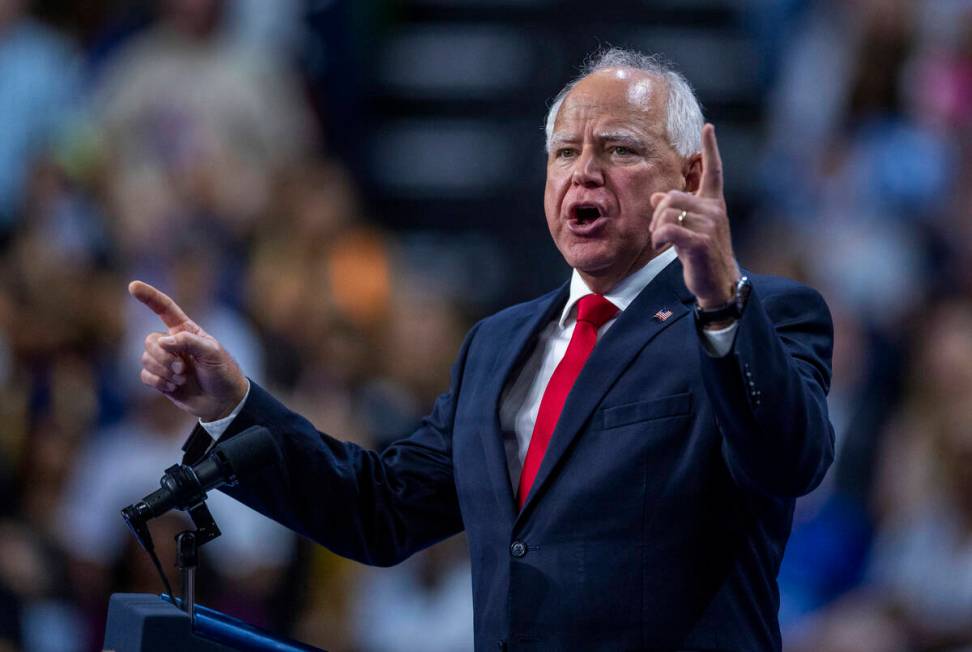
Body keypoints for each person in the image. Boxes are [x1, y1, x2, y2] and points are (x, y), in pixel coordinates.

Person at [129, 48, 835, 651]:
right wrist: (233, 406)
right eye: (564, 152)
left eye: (618, 148)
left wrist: (718, 299)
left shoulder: (759, 316)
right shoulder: (497, 346)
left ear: (687, 177)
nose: (583, 172)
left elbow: (786, 460)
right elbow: (382, 511)